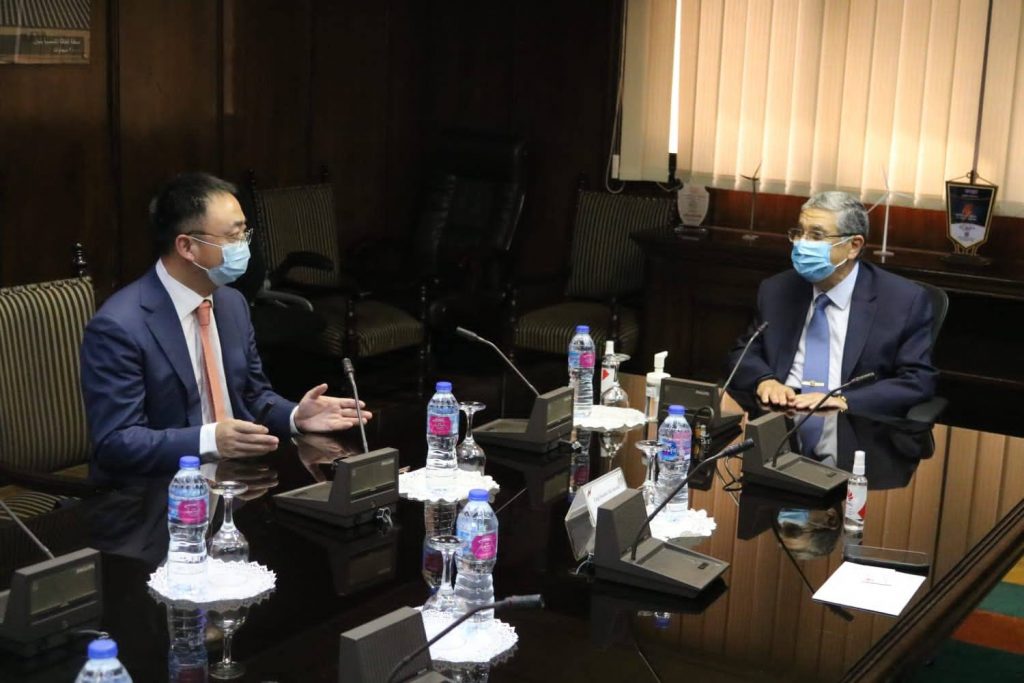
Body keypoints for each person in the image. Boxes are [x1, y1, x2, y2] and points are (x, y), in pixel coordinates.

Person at [81, 172, 371, 476]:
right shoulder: (120, 326)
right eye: (233, 237)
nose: (244, 247)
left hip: (239, 477)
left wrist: (296, 416)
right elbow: (116, 442)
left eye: (245, 234)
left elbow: (253, 396)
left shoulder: (232, 304)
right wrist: (210, 440)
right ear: (187, 247)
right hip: (159, 486)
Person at [727, 191, 937, 457]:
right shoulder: (777, 289)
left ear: (854, 246)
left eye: (816, 236)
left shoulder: (902, 300)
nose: (802, 244)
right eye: (799, 233)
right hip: (781, 416)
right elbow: (744, 352)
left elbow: (918, 380)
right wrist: (764, 380)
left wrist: (843, 400)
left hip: (855, 425)